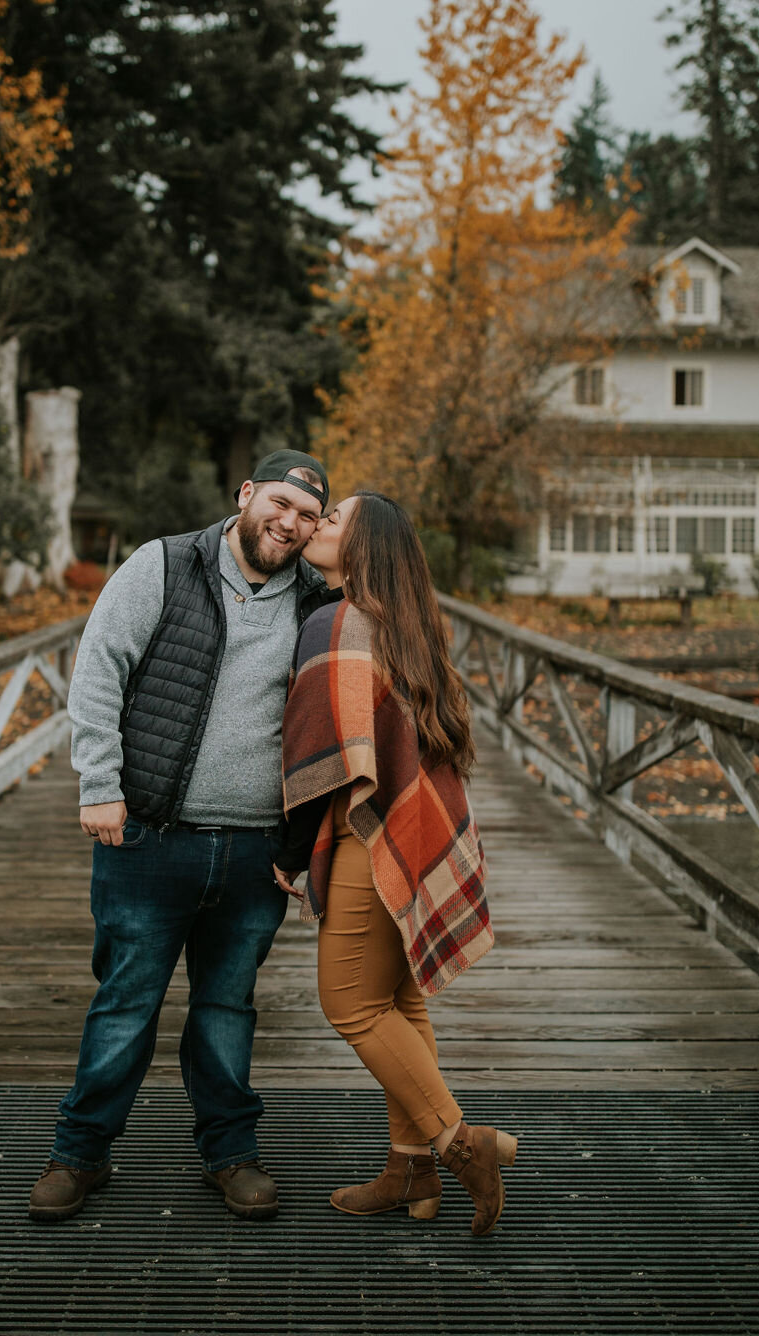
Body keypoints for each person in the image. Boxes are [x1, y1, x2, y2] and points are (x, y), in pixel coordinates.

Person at [29, 450, 331, 1225]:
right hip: (150, 838)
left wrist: (309, 847)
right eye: (279, 505)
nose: (289, 524)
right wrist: (100, 785)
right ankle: (80, 1154)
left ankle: (230, 1155)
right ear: (246, 495)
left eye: (307, 516)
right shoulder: (161, 566)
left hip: (257, 851)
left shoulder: (316, 601)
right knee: (126, 1001)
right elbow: (98, 670)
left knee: (228, 1007)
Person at [273, 491, 517, 1237]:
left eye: (333, 520)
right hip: (411, 834)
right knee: (401, 1005)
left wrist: (286, 854)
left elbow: (324, 757)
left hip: (366, 838)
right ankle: (409, 1171)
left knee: (350, 1003)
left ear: (365, 548)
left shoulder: (336, 622)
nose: (317, 526)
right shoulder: (407, 625)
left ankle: (459, 1146)